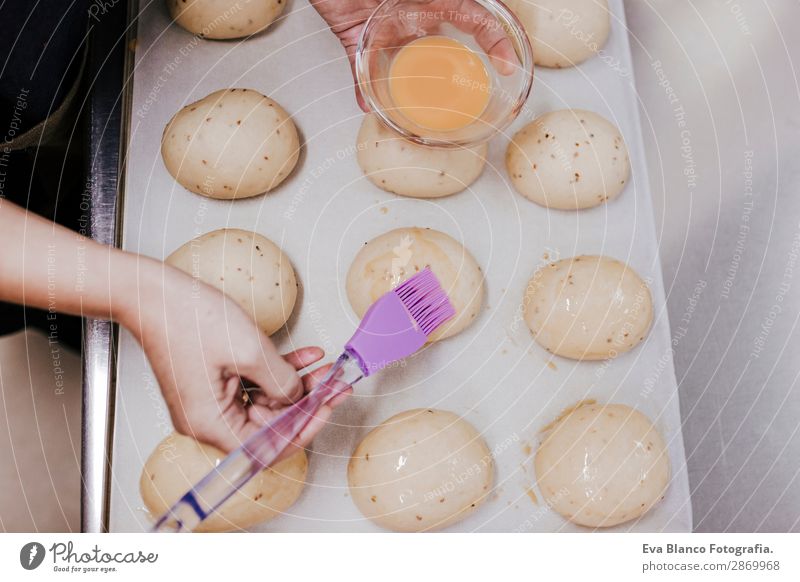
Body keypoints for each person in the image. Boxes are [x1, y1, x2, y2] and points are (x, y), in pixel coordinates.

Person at [0, 0, 514, 455]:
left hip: (81, 41)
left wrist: (144, 298)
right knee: (76, 299)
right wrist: (137, 298)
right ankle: (85, 326)